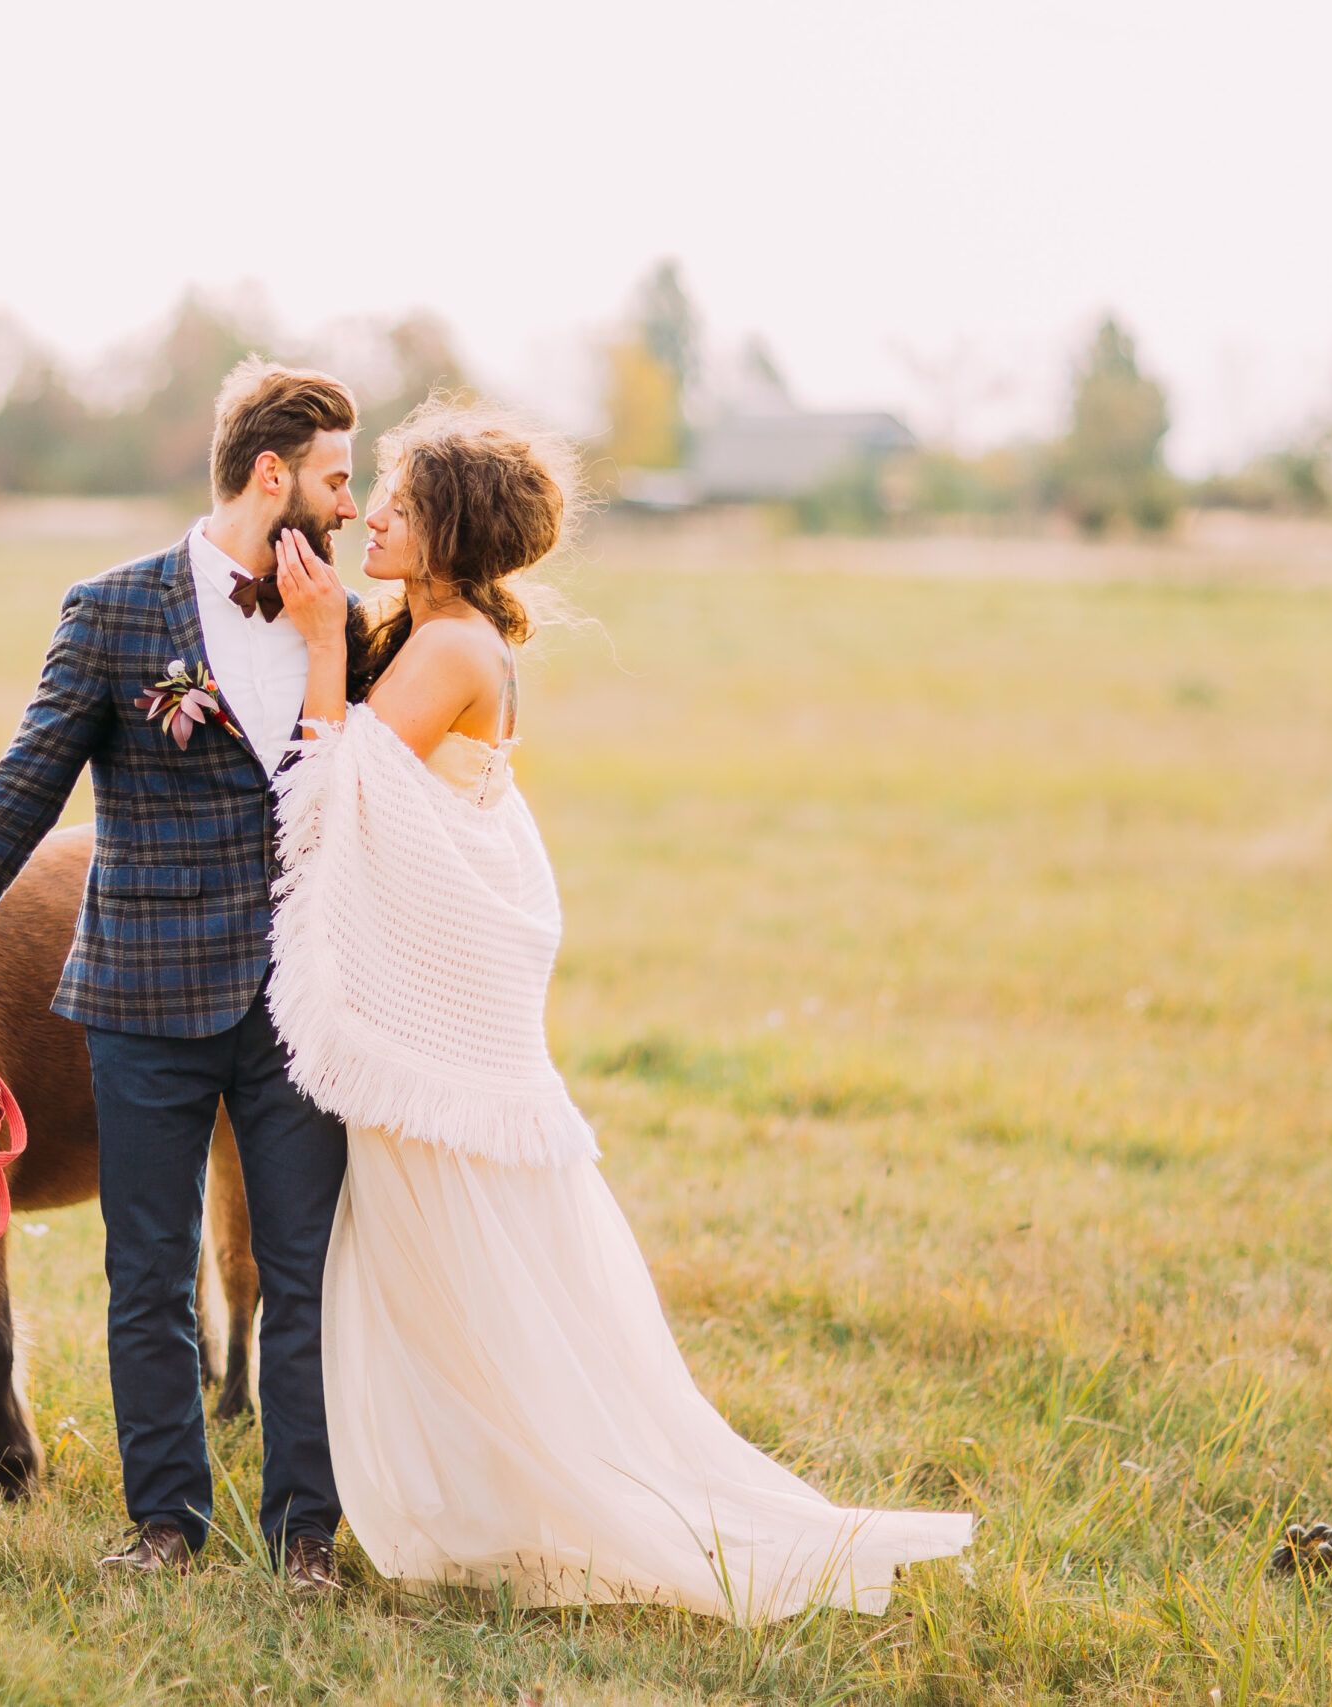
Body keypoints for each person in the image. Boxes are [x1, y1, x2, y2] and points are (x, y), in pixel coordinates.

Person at [263, 400, 975, 1618]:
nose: (369, 513)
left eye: (396, 497)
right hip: (441, 1037)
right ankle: (516, 1507)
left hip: (438, 1040)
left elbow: (336, 787)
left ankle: (602, 1512)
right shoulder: (434, 628)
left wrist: (322, 639)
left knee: (478, 1285)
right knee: (460, 1287)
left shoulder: (449, 650)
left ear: (452, 527)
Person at [0, 359, 364, 1593]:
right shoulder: (111, 612)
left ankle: (306, 1535)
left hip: (295, 1006)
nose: (350, 508)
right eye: (336, 479)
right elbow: (16, 796)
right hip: (142, 1005)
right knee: (145, 1275)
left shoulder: (343, 630)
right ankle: (166, 1525)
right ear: (272, 476)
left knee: (298, 1270)